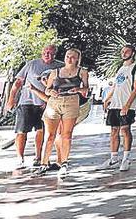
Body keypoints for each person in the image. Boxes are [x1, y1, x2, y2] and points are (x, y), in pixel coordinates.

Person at [6, 45, 63, 169]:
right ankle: (20, 158)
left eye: (51, 53)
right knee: (21, 131)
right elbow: (18, 83)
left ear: (55, 54)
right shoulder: (31, 64)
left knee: (42, 131)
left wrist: (51, 101)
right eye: (46, 52)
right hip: (26, 102)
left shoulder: (60, 66)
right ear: (42, 52)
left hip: (46, 103)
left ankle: (38, 157)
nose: (48, 55)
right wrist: (11, 99)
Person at [37, 48, 88, 177]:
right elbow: (47, 90)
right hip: (55, 102)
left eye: (72, 57)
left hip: (71, 102)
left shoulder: (82, 72)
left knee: (67, 134)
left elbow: (86, 89)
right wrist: (51, 92)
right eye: (67, 56)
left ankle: (64, 162)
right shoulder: (55, 72)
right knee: (50, 135)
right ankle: (44, 163)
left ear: (77, 59)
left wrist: (78, 89)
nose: (69, 59)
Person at [97, 44, 136, 172]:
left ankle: (126, 158)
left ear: (133, 53)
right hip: (115, 104)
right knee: (114, 131)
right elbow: (116, 86)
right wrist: (108, 98)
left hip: (126, 104)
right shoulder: (121, 68)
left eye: (126, 51)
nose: (123, 53)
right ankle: (113, 158)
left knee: (125, 130)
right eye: (122, 51)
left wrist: (127, 105)